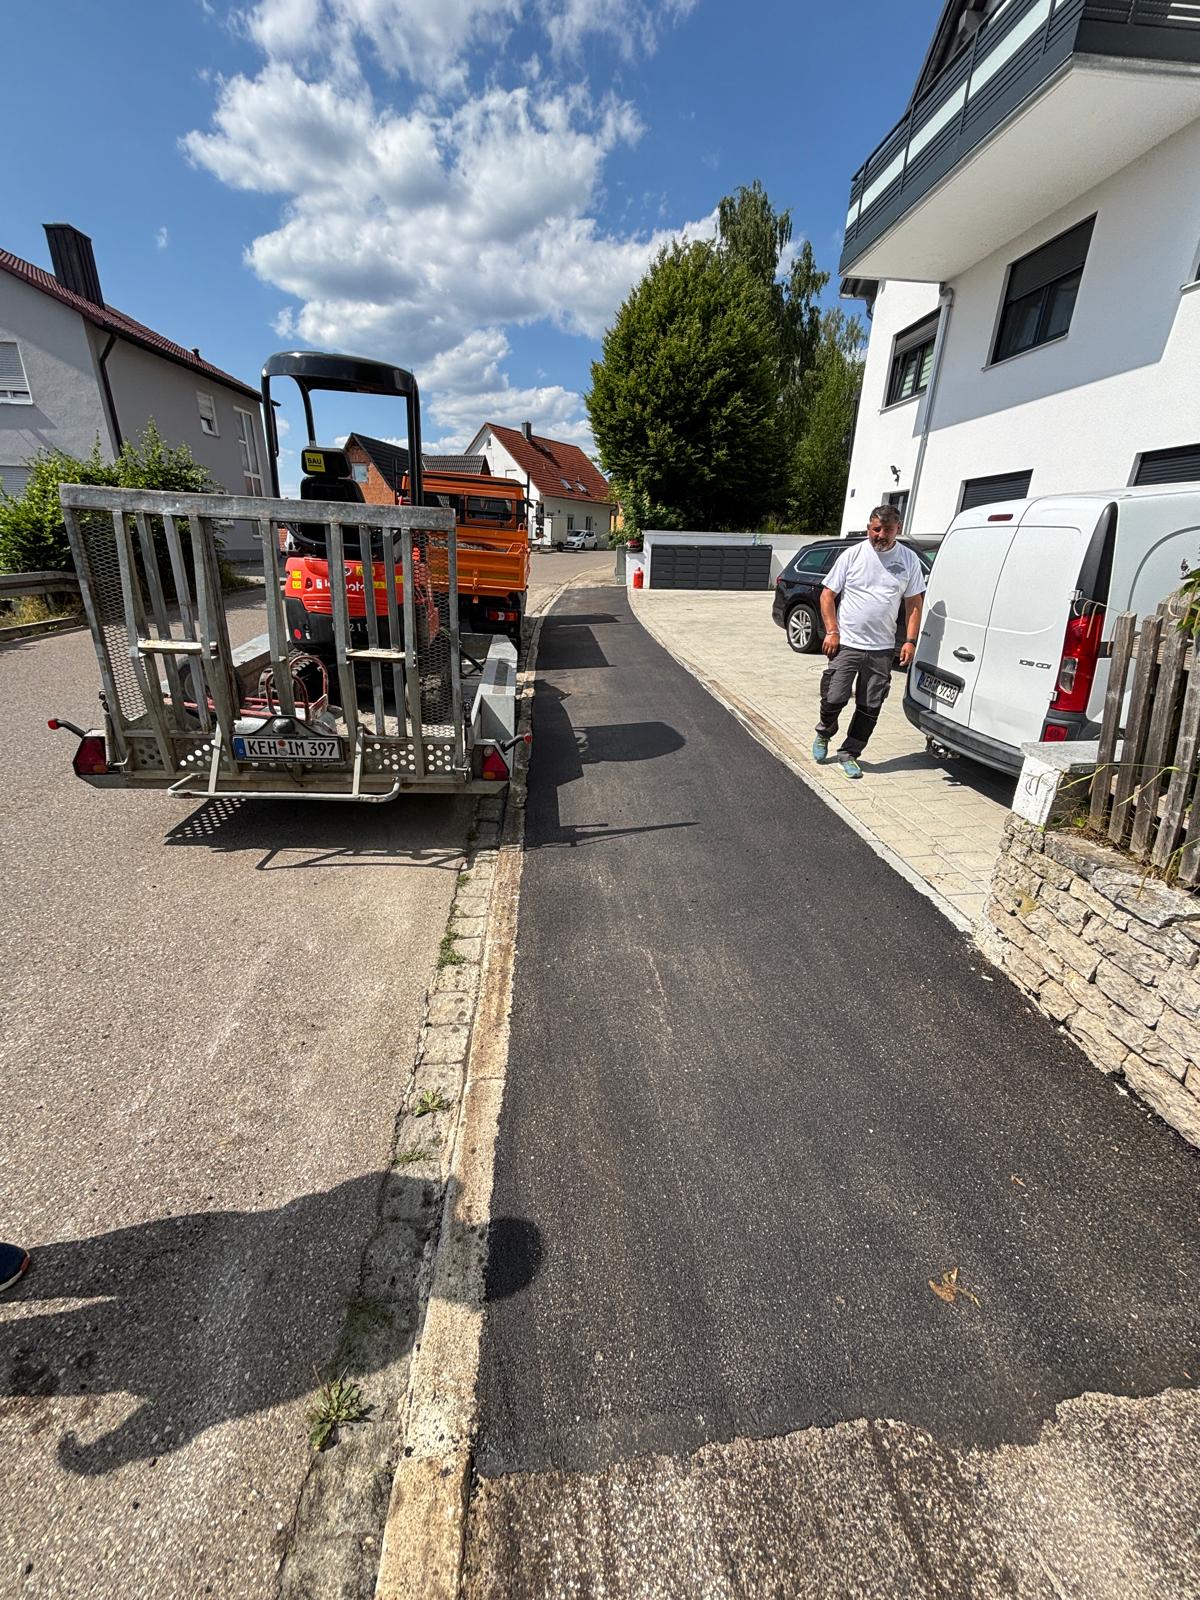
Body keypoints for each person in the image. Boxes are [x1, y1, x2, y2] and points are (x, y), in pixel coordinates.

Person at [812, 506, 926, 779]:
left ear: (897, 528)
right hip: (847, 644)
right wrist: (831, 631)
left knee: (870, 705)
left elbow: (914, 604)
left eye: (887, 530)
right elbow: (827, 595)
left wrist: (910, 641)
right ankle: (824, 733)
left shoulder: (908, 561)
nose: (880, 535)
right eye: (876, 529)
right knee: (833, 696)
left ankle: (850, 753)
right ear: (868, 528)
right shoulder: (852, 555)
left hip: (882, 649)